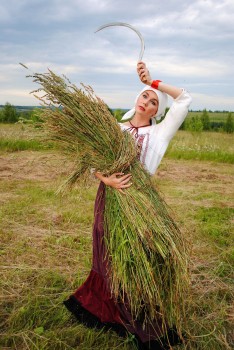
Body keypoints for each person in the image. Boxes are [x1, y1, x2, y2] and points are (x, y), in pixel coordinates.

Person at [64, 61, 192, 349]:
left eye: (154, 101)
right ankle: (108, 311)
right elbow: (91, 161)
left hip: (139, 204)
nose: (148, 102)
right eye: (145, 95)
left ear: (158, 112)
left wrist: (154, 81)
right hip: (108, 198)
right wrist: (105, 179)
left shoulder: (158, 135)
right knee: (108, 253)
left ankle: (141, 317)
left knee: (136, 259)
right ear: (136, 99)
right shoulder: (115, 129)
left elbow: (184, 99)